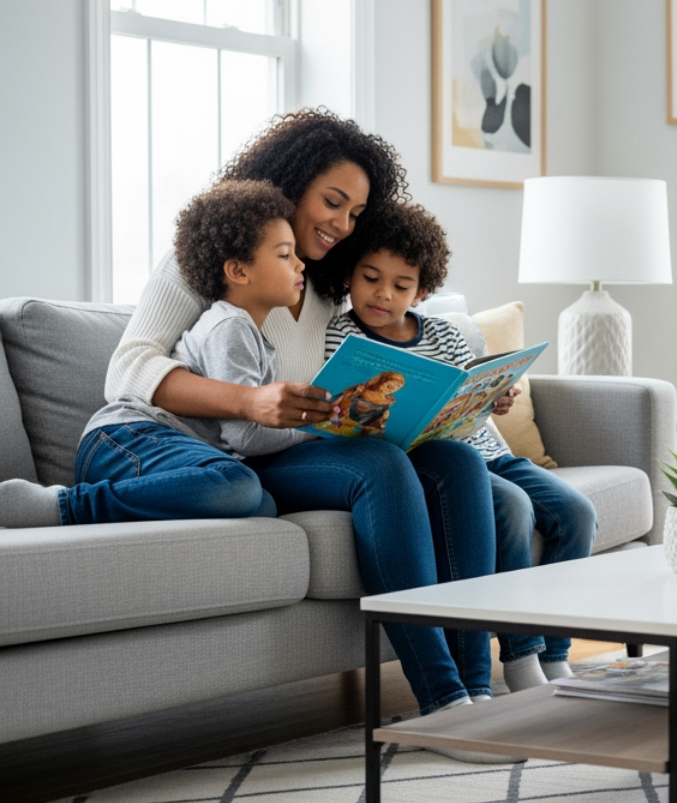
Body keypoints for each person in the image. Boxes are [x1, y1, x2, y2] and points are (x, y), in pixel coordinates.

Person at [64, 109, 502, 747]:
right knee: (379, 468)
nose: (341, 223)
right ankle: (440, 702)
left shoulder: (323, 287)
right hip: (206, 443)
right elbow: (127, 367)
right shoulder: (214, 261)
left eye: (355, 213)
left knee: (455, 465)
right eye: (331, 201)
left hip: (279, 446)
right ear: (290, 181)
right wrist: (247, 402)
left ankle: (475, 690)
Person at [322, 200, 598, 692]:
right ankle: (520, 655)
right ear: (350, 276)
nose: (383, 294)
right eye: (370, 278)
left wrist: (496, 397)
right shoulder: (342, 337)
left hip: (490, 453)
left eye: (401, 285)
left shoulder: (445, 336)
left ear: (422, 290)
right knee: (511, 509)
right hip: (437, 467)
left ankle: (556, 650)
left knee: (576, 512)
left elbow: (469, 394)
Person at [0, 181, 312, 529]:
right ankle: (65, 506)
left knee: (262, 504)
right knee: (239, 485)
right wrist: (316, 427)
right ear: (238, 271)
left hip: (153, 451)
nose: (300, 265)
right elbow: (246, 436)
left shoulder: (253, 336)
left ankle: (119, 501)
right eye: (285, 255)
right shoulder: (231, 328)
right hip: (126, 437)